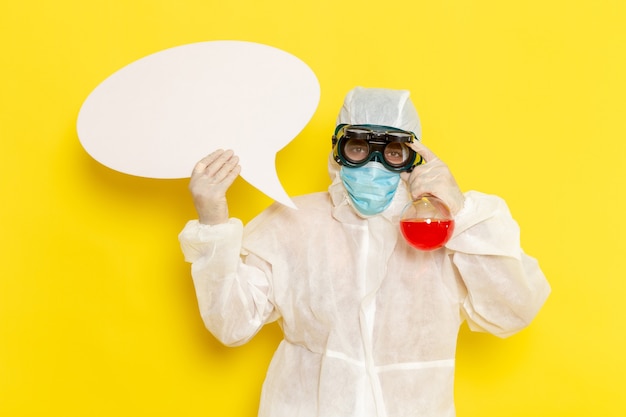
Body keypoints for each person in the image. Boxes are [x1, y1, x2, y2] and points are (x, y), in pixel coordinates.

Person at [178, 87, 550, 417]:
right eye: (357, 147)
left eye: (392, 151)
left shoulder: (441, 230)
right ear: (338, 153)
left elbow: (513, 310)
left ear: (413, 157)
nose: (374, 163)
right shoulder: (292, 223)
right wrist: (213, 219)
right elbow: (231, 324)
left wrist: (461, 210)